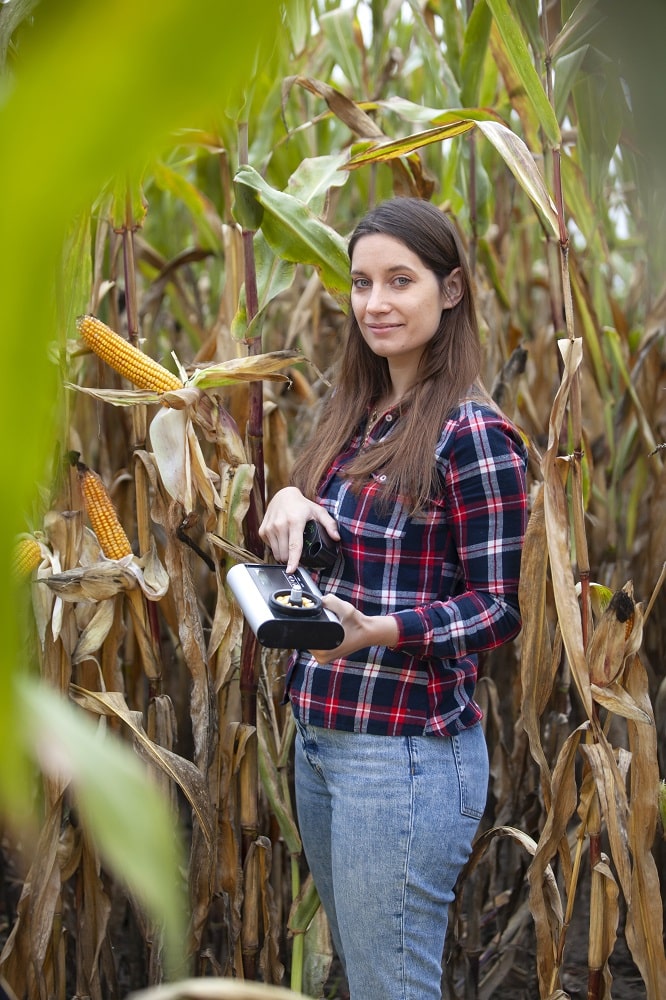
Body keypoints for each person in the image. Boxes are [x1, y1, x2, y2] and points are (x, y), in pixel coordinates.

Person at [259, 197, 528, 1000]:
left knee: (390, 984)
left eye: (400, 281)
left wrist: (379, 632)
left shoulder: (470, 436)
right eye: (361, 282)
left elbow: (495, 609)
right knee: (366, 971)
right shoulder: (353, 415)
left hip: (403, 755)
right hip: (322, 738)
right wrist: (288, 502)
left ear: (450, 292)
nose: (375, 303)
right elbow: (336, 555)